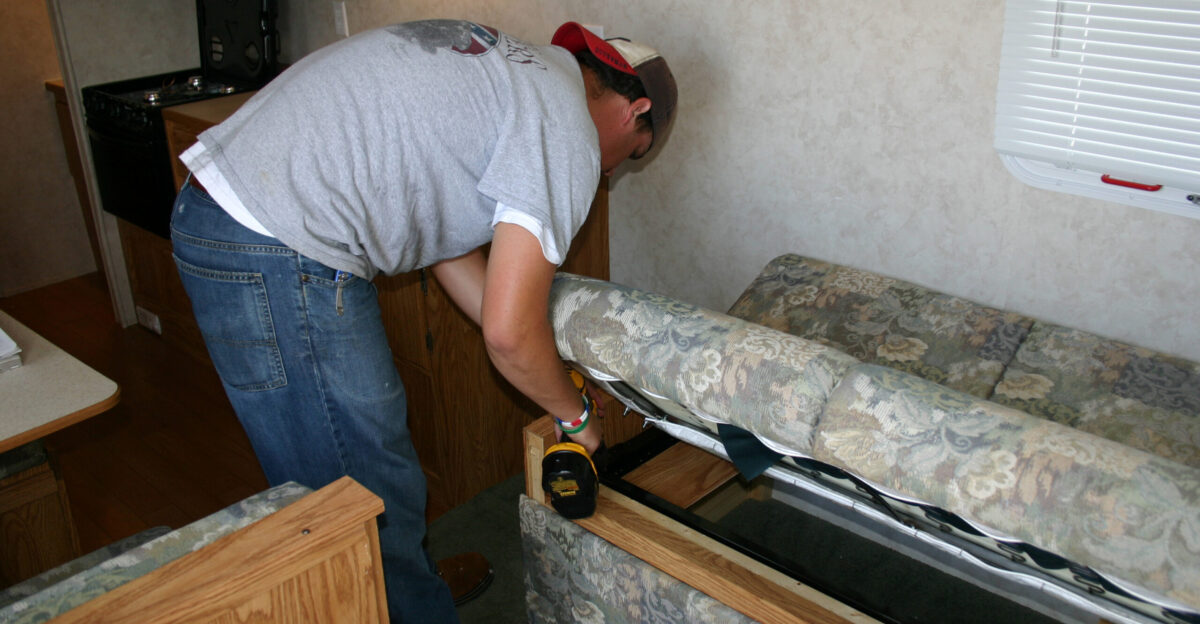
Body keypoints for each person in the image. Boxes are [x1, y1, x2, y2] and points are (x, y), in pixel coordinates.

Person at [168, 18, 676, 623]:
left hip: (227, 207)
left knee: (344, 482)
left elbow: (450, 251)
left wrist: (548, 366)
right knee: (365, 495)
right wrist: (577, 415)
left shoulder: (521, 74)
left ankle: (403, 588)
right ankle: (402, 602)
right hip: (278, 240)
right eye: (632, 156)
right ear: (632, 111)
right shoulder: (567, 127)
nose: (612, 173)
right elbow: (508, 333)